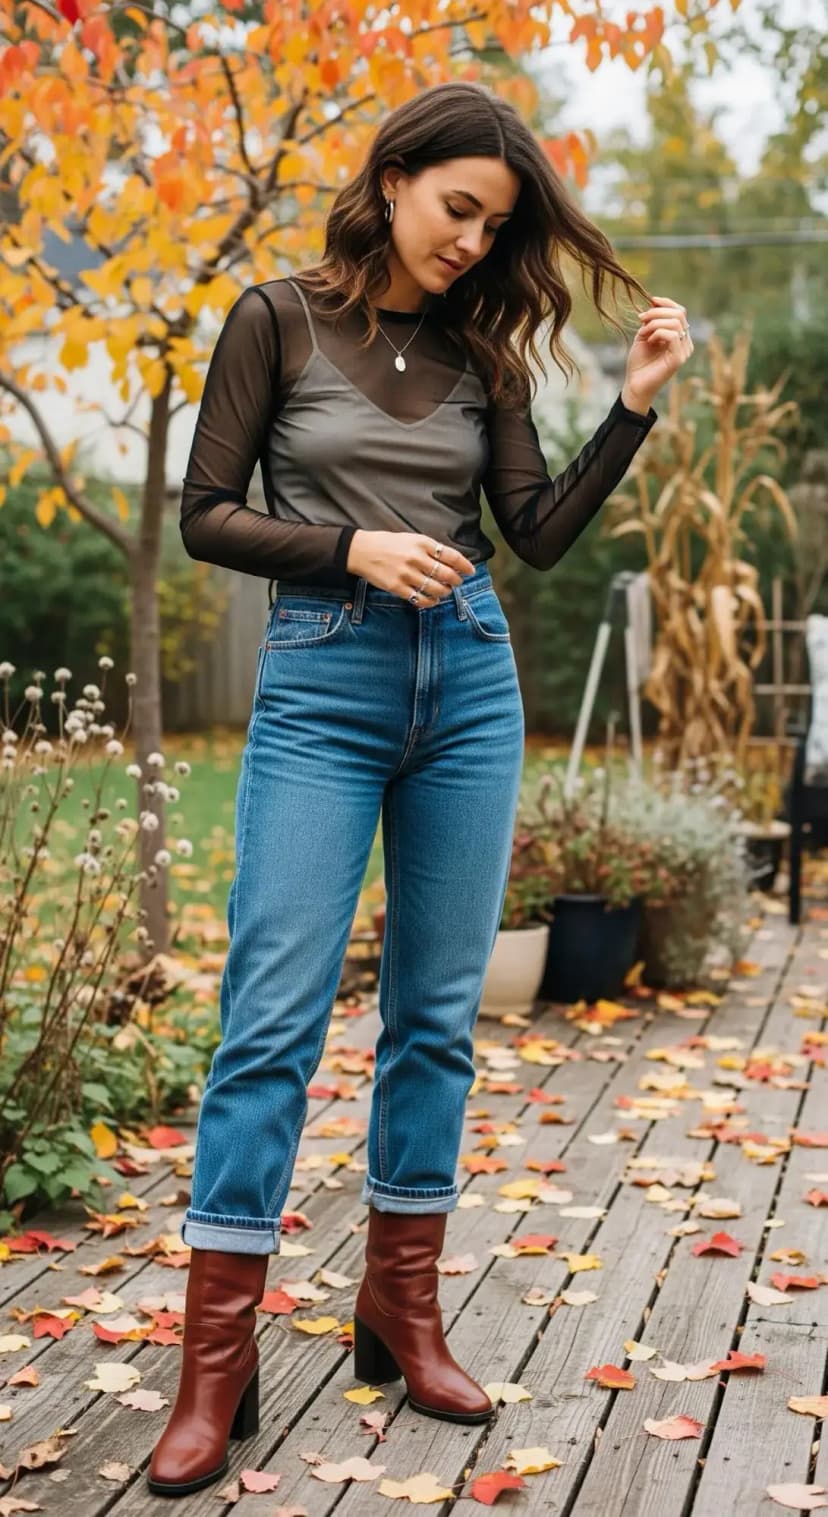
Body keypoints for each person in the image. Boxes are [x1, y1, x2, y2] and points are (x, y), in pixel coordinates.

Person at [147, 78, 692, 1497]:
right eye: (459, 209)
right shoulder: (275, 318)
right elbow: (205, 512)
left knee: (435, 1019)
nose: (471, 241)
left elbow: (535, 535)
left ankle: (402, 1303)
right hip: (323, 684)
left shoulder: (486, 355)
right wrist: (350, 555)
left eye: (495, 224)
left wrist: (627, 412)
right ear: (392, 180)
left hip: (469, 684)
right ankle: (217, 1365)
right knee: (269, 1019)